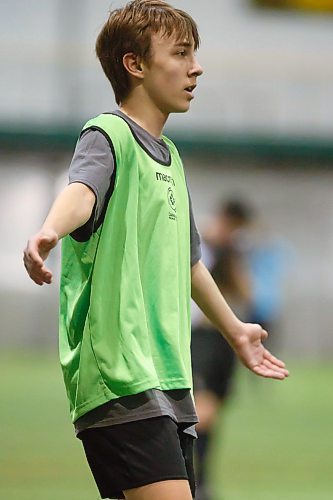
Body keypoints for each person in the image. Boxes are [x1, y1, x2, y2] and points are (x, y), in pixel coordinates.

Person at [23, 2, 289, 499]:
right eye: (182, 53)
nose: (197, 67)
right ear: (135, 64)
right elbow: (82, 190)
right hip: (121, 376)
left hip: (166, 376)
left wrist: (234, 331)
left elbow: (188, 262)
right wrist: (50, 230)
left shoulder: (171, 159)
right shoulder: (108, 134)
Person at [191, 199, 253, 500]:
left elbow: (245, 292)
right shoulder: (200, 241)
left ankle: (202, 480)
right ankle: (197, 481)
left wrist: (232, 256)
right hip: (201, 336)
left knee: (213, 412)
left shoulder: (236, 250)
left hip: (226, 340)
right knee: (201, 411)